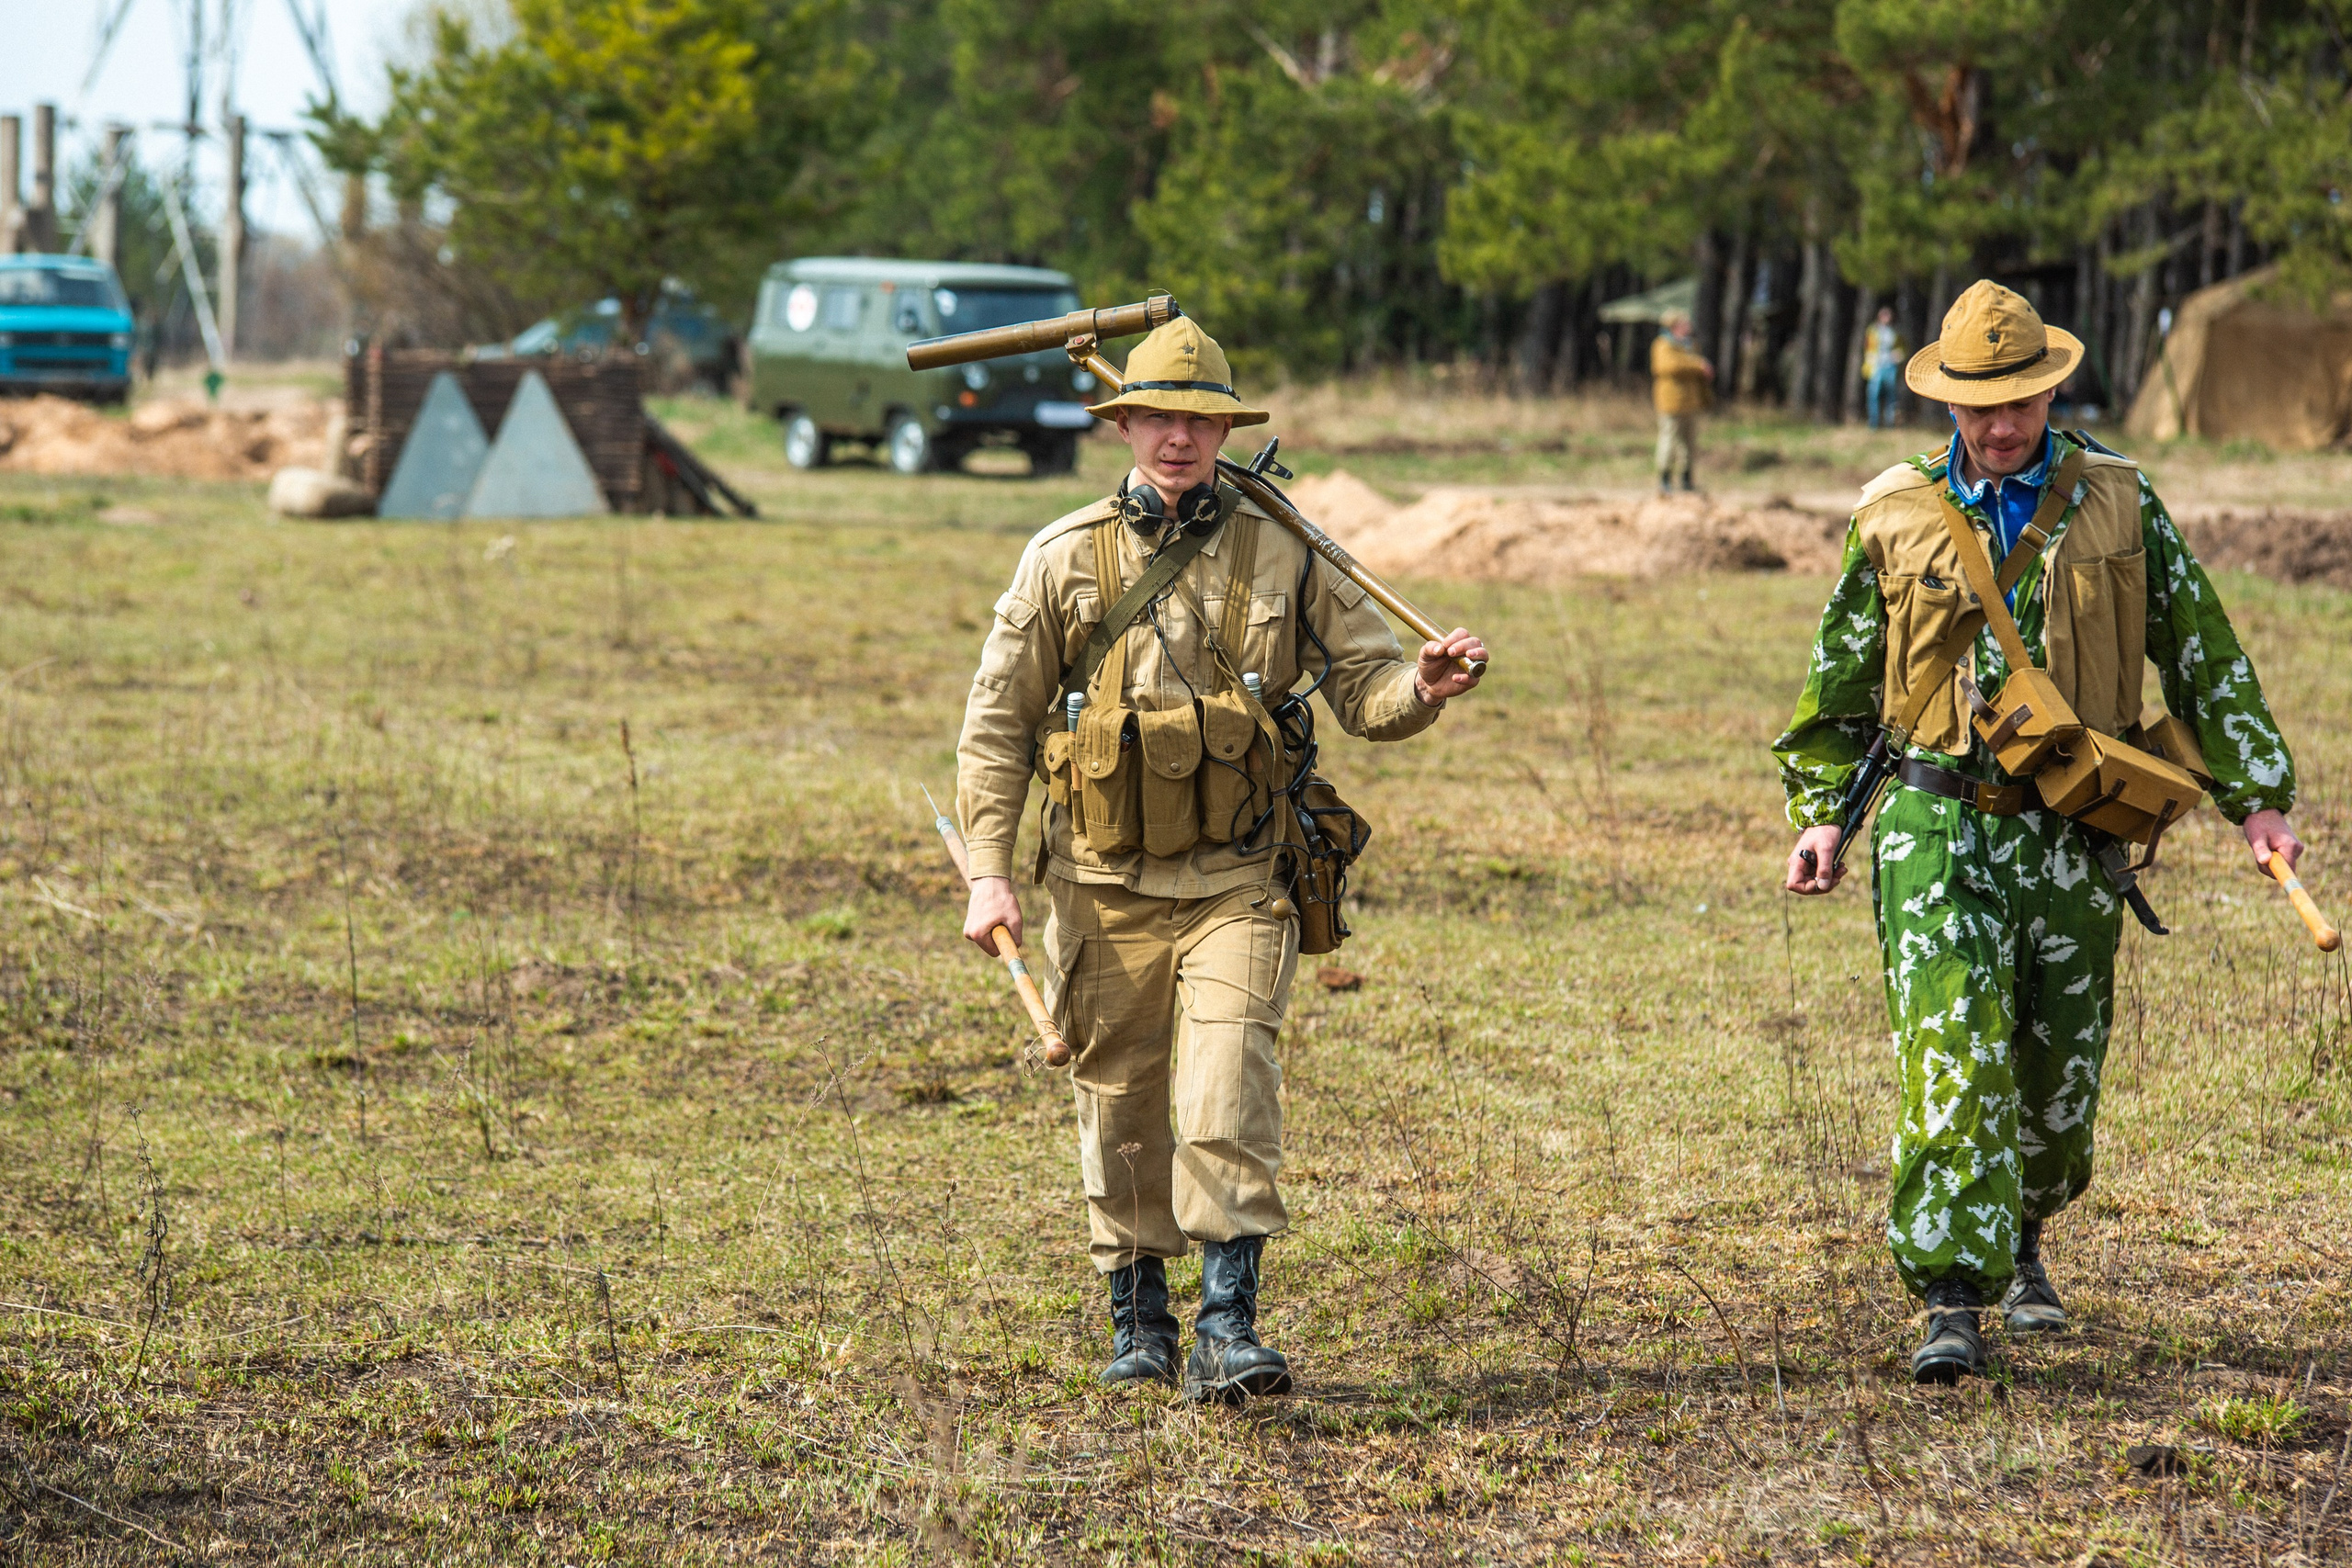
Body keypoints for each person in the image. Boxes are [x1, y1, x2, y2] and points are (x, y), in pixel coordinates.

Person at [1773, 281, 2302, 1385]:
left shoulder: (2118, 499)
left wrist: (2255, 797)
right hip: (1935, 823)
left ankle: (2024, 1238)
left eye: (2020, 401)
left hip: (2073, 828)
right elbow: (1836, 679)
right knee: (1953, 1054)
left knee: (2056, 1079)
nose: (2001, 424)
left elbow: (2198, 649)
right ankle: (1951, 1296)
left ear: (2053, 387)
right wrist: (1822, 813)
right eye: (1979, 405)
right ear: (1946, 402)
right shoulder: (1891, 512)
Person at [955, 317, 1487, 1403]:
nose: (1178, 438)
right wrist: (988, 872)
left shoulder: (1287, 547)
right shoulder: (1061, 558)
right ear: (1123, 423)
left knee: (1226, 1088)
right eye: (1156, 416)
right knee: (1119, 1100)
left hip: (1240, 878)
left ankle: (1228, 1328)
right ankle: (1139, 1319)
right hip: (1101, 887)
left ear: (1225, 430)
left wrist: (1421, 690)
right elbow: (996, 727)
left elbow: (1364, 689)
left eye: (1200, 420)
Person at [1650, 310, 1713, 493]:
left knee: (1689, 444)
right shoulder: (1663, 345)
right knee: (1668, 441)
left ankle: (1686, 479)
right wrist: (1698, 365)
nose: (1688, 327)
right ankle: (1664, 479)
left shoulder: (1689, 345)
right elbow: (1667, 367)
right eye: (1684, 324)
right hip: (1671, 402)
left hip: (1690, 402)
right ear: (1674, 326)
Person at [1863, 305, 1905, 429]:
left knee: (1891, 396)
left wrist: (1899, 355)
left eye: (1888, 315)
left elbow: (1903, 347)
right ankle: (1873, 423)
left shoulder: (1895, 331)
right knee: (1873, 394)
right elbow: (1867, 347)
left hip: (1890, 366)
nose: (1886, 317)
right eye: (1884, 315)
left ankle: (1890, 423)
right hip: (1876, 366)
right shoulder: (1873, 331)